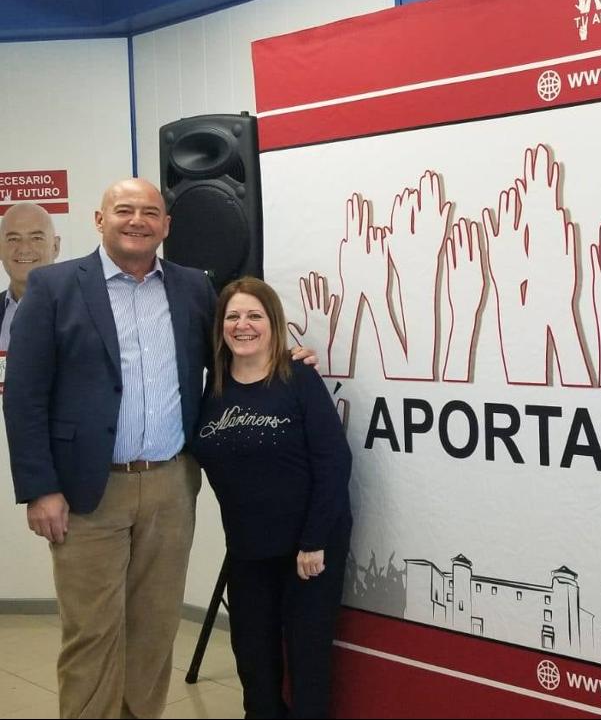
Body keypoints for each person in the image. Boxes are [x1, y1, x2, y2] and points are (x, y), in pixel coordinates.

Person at [4, 178, 314, 719]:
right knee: (92, 636)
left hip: (172, 485)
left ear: (166, 226)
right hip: (85, 493)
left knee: (154, 631)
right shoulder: (54, 286)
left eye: (151, 212)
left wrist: (288, 358)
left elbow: (233, 352)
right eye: (123, 210)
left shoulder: (193, 286)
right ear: (100, 221)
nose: (137, 220)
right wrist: (41, 488)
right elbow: (25, 396)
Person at [191, 277, 352, 719]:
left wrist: (314, 540)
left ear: (273, 323)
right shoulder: (212, 388)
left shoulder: (297, 376)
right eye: (233, 316)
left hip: (309, 547)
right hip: (247, 549)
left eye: (254, 315)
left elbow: (334, 462)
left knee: (307, 661)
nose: (243, 325)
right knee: (253, 660)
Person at [0, 201, 61, 350]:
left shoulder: (82, 310)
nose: (24, 248)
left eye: (36, 238)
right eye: (13, 239)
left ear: (55, 246)